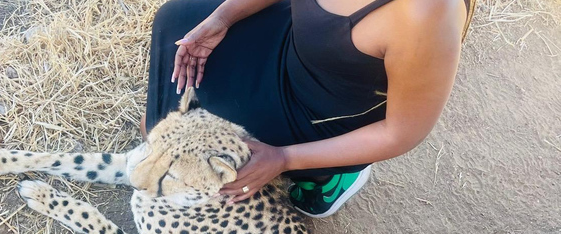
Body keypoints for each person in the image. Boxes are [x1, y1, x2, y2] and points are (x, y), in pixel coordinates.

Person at [143, 0, 476, 217]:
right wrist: (223, 18)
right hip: (295, 39)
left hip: (322, 112)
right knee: (174, 19)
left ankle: (327, 176)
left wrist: (285, 158)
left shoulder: (425, 14)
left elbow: (401, 133)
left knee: (202, 173)